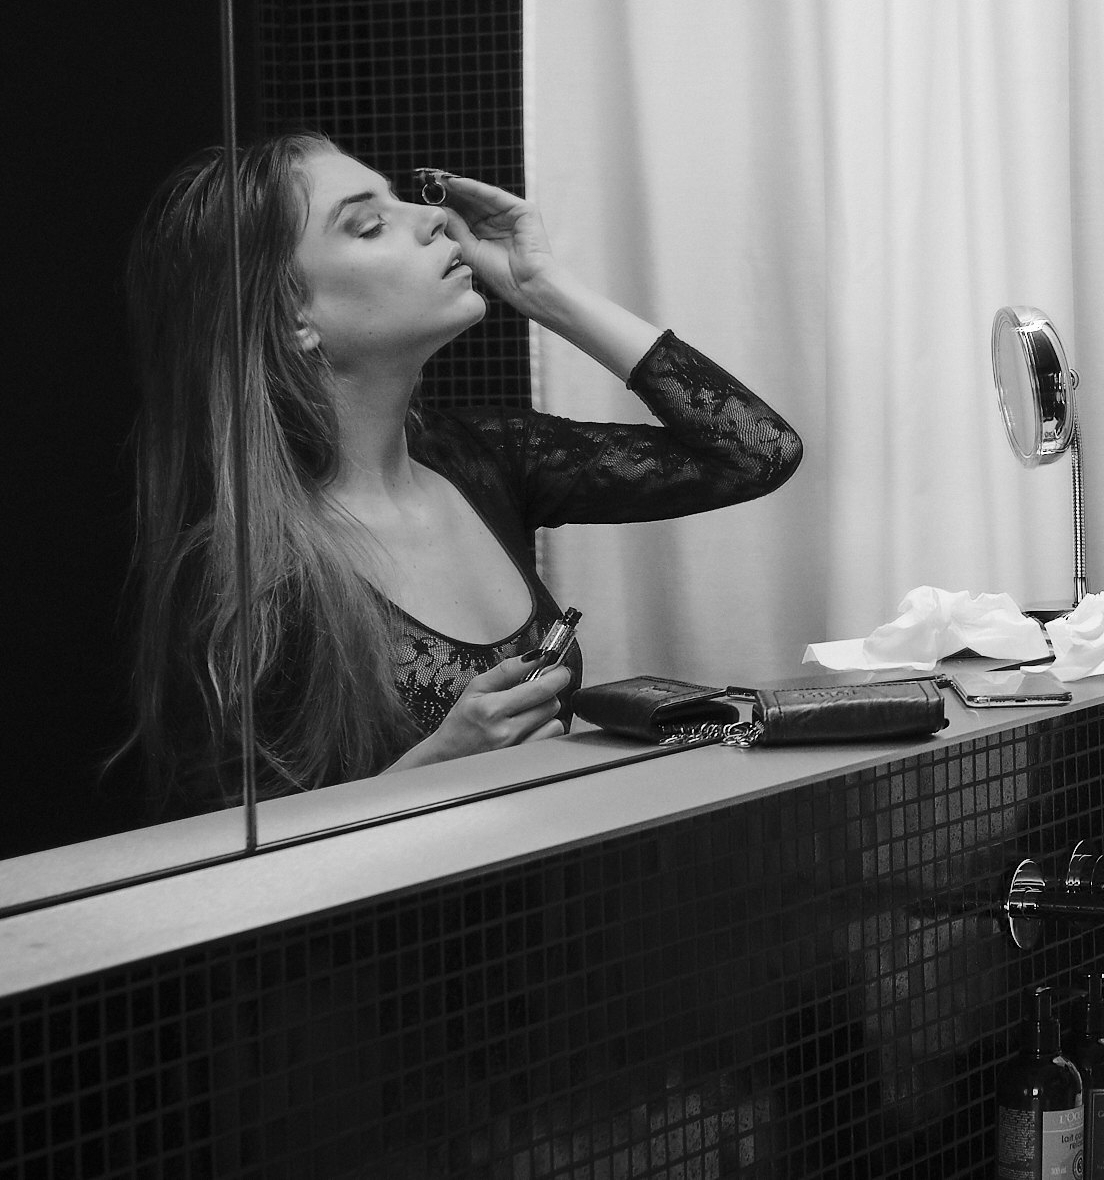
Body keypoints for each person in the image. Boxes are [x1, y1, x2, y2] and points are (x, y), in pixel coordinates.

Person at [120, 134, 803, 810]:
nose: (433, 217)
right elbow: (228, 858)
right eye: (369, 225)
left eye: (401, 199)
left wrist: (544, 289)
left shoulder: (481, 457)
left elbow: (754, 451)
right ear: (294, 316)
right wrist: (433, 768)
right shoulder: (246, 567)